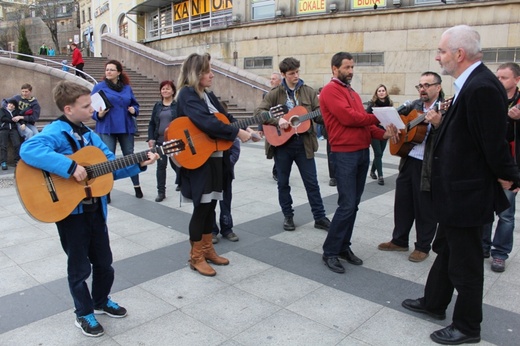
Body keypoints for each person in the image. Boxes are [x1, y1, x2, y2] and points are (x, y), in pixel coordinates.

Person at [402, 25, 520, 345]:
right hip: (455, 192)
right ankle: (434, 303)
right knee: (446, 249)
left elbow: (493, 143)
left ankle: (468, 326)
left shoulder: (481, 87)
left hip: (468, 194)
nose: (438, 56)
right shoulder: (469, 84)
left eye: (441, 51)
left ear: (459, 54)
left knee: (466, 263)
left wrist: (511, 175)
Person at [19, 80, 159, 337]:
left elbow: (108, 168)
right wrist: (70, 167)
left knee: (104, 262)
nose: (92, 109)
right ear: (69, 109)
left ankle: (101, 300)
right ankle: (83, 313)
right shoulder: (55, 131)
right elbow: (29, 148)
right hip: (71, 215)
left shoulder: (91, 135)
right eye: (86, 105)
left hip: (96, 210)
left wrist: (140, 163)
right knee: (79, 267)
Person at [319, 52, 397, 274]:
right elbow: (349, 118)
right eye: (347, 67)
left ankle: (344, 247)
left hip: (361, 152)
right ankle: (330, 252)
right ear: (335, 69)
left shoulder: (350, 91)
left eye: (352, 67)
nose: (351, 71)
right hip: (345, 155)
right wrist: (379, 117)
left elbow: (362, 123)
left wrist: (383, 133)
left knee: (353, 204)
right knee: (346, 205)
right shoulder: (330, 90)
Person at [176, 53, 251, 276]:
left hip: (216, 158)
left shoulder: (206, 94)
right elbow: (207, 122)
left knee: (211, 206)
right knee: (202, 208)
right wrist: (237, 132)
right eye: (208, 71)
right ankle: (195, 256)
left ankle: (208, 249)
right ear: (196, 74)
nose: (212, 75)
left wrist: (247, 130)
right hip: (200, 160)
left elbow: (224, 119)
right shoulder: (188, 94)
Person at [255, 57, 331, 232]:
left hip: (304, 143)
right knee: (283, 182)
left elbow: (318, 116)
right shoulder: (275, 93)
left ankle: (319, 217)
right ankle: (288, 216)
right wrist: (277, 120)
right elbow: (259, 112)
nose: (296, 75)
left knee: (312, 182)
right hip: (283, 145)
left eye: (297, 72)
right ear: (283, 75)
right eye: (291, 73)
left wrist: (328, 113)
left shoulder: (309, 92)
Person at [377, 72, 444, 263]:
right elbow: (400, 125)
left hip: (430, 164)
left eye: (427, 85)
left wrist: (439, 124)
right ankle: (399, 240)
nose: (422, 89)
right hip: (409, 159)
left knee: (425, 207)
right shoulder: (413, 106)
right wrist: (396, 132)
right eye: (420, 85)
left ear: (438, 87)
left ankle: (423, 246)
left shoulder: (446, 108)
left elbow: (453, 136)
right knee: (403, 202)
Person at [482, 62, 520, 272]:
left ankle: (500, 253)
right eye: (497, 77)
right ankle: (483, 246)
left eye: (504, 78)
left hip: (509, 166)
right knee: (485, 207)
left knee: (506, 213)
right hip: (488, 164)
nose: (499, 81)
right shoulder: (490, 99)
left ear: (516, 79)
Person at [92, 60, 143, 199]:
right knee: (108, 160)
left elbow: (135, 104)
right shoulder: (99, 87)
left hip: (125, 126)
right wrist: (99, 114)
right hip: (107, 127)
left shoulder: (127, 88)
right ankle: (106, 191)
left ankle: (137, 186)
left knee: (130, 156)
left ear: (119, 72)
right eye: (107, 69)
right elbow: (92, 109)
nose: (108, 72)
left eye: (111, 70)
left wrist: (134, 110)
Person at [147, 80, 180, 202]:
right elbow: (152, 123)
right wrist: (151, 138)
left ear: (173, 91)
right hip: (160, 141)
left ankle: (181, 181)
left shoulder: (177, 106)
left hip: (173, 141)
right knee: (161, 166)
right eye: (163, 89)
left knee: (176, 164)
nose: (165, 91)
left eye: (167, 88)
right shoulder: (157, 106)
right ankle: (161, 192)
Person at [212, 137, 241, 243]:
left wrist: (226, 165)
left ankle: (227, 228)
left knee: (226, 201)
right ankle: (211, 230)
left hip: (226, 172)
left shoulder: (229, 129)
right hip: (210, 171)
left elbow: (235, 150)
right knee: (210, 201)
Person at [365, 84, 393, 185]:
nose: (381, 92)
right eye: (379, 91)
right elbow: (367, 118)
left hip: (385, 131)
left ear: (386, 92)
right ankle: (380, 176)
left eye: (383, 90)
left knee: (380, 154)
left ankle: (372, 171)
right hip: (374, 131)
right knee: (378, 153)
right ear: (376, 93)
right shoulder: (372, 104)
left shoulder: (389, 103)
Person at [262, 72, 283, 182]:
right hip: (271, 126)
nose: (271, 81)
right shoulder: (267, 95)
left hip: (284, 126)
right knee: (274, 148)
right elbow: (261, 113)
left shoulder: (284, 94)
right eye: (271, 79)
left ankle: (278, 170)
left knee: (281, 148)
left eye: (274, 79)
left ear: (280, 80)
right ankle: (276, 171)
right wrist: (261, 129)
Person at [0, 99, 24, 170]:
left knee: (17, 144)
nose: (11, 105)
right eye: (10, 104)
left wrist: (23, 124)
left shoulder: (16, 112)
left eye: (13, 105)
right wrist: (14, 119)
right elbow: (3, 118)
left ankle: (17, 160)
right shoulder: (2, 110)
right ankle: (3, 162)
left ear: (14, 107)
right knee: (3, 145)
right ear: (7, 104)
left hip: (13, 129)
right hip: (4, 129)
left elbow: (20, 119)